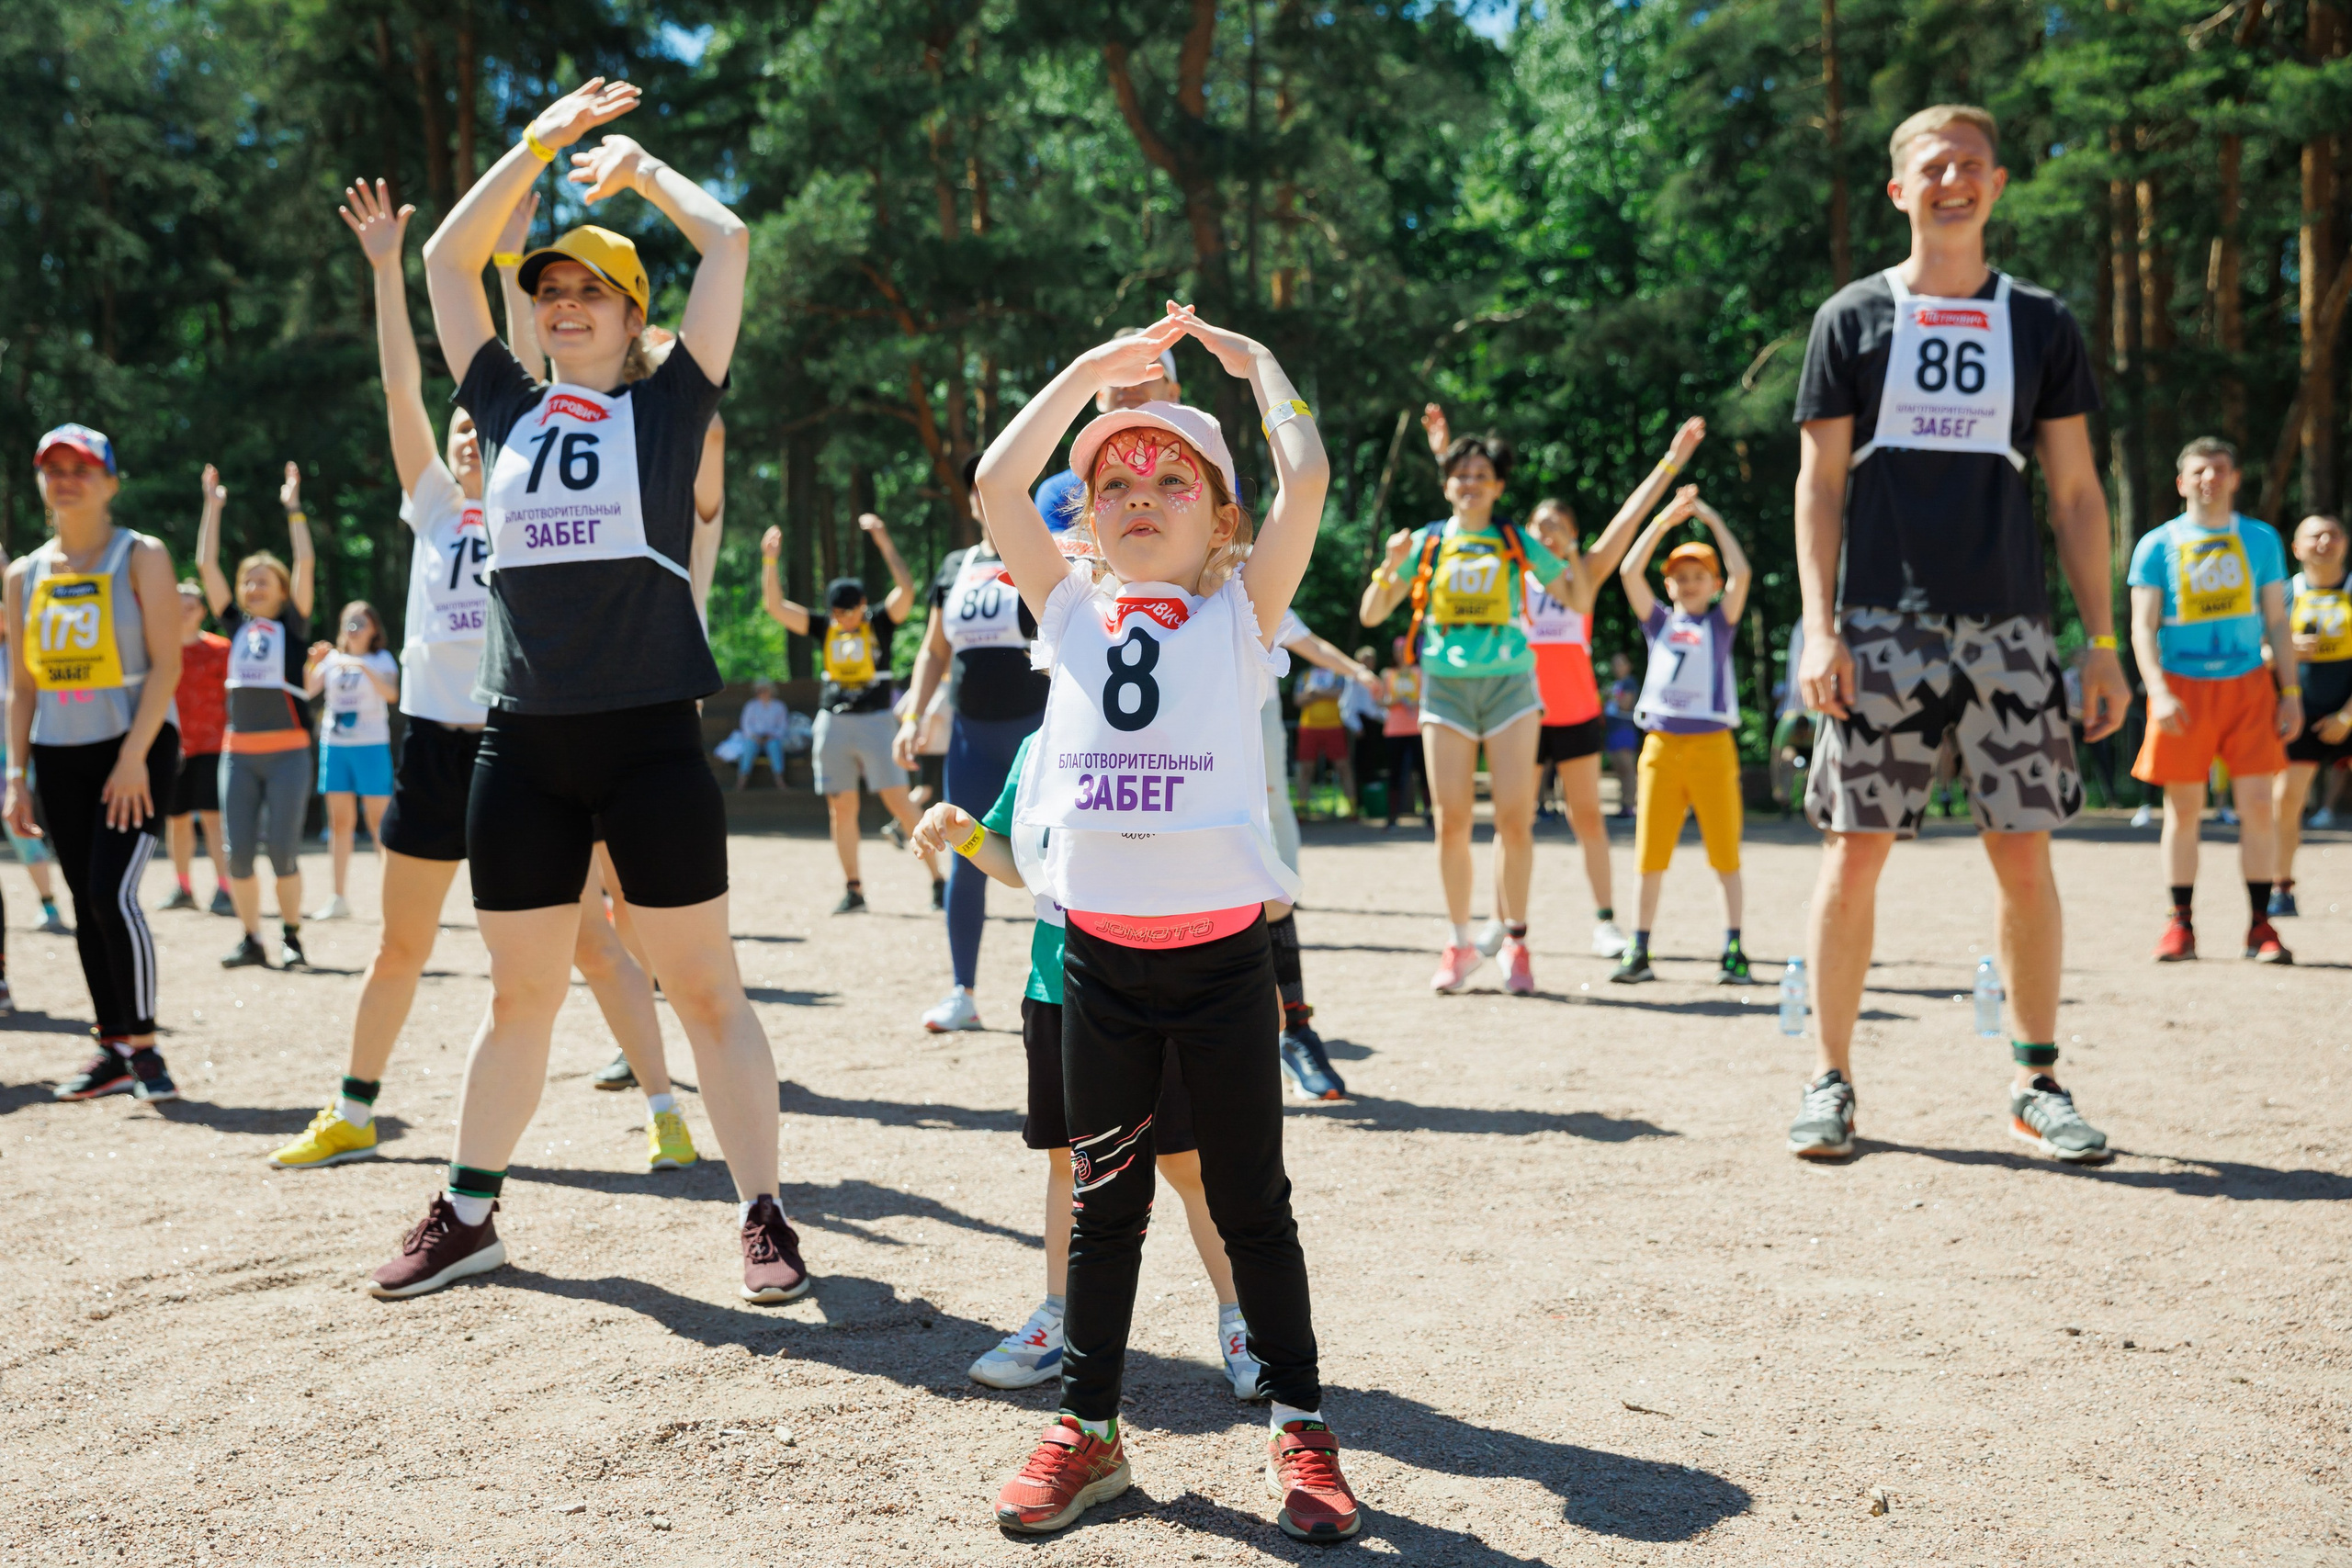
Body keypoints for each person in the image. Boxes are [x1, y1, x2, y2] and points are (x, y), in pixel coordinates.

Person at [354, 81, 797, 1303]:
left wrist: (644, 173)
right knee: (519, 993)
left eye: (587, 289)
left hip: (650, 740)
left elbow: (733, 242)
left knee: (705, 987)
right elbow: (449, 258)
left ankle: (762, 1209)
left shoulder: (671, 405)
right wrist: (538, 143)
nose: (560, 303)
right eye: (549, 289)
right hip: (522, 744)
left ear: (632, 311)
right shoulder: (502, 402)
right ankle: (467, 1209)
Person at [973, 305, 1361, 1542]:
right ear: (1082, 519)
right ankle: (1090, 1434)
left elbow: (1309, 471)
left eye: (1171, 474)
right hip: (1099, 965)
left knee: (1254, 1201)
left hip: (1222, 964)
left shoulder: (1244, 612)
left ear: (1221, 517)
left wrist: (1263, 372)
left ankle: (1300, 1425)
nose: (1139, 491)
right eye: (1114, 478)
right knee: (1106, 1202)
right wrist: (1089, 371)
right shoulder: (1070, 612)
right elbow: (993, 480)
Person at [270, 177, 702, 1179]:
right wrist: (387, 274)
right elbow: (401, 386)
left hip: (533, 736)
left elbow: (518, 363)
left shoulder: (537, 445)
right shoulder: (431, 503)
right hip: (434, 742)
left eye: (479, 425)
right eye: (460, 427)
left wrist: (512, 261)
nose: (469, 432)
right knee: (397, 947)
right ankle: (353, 1108)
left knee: (595, 949)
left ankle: (663, 1108)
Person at [1792, 103, 2126, 1166]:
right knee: (1854, 856)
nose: (1953, 180)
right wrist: (1817, 626)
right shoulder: (1849, 318)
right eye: (1933, 166)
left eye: (1972, 165)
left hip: (2009, 627)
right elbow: (1819, 485)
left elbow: (2075, 494)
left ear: (1997, 185)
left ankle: (2035, 1080)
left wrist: (2101, 637)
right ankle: (1829, 1080)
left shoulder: (2040, 322)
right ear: (1899, 190)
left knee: (2023, 858)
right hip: (1879, 626)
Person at [909, 730, 1269, 1402]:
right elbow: (1018, 864)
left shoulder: (1176, 728)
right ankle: (1060, 1319)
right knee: (1069, 1162)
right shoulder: (1039, 745)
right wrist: (961, 831)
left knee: (1188, 1162)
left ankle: (1243, 1321)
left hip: (1156, 975)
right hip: (1058, 982)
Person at [1359, 416, 1697, 997]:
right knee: (1452, 823)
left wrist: (1571, 568)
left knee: (1516, 821)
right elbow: (1371, 613)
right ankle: (1460, 941)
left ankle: (1515, 940)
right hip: (1446, 688)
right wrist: (1391, 563)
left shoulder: (1517, 541)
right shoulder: (1426, 543)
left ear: (1498, 487)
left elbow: (1576, 591)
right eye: (1460, 475)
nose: (1470, 483)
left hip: (1514, 688)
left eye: (1481, 475)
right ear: (1446, 485)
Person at [9, 425, 184, 1100]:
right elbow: (23, 688)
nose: (65, 479)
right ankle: (110, 1046)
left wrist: (135, 757)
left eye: (80, 467)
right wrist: (14, 775)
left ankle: (144, 1047)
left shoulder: (141, 556)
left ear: (110, 481)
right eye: (52, 467)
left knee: (114, 891)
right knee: (85, 901)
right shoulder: (24, 573)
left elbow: (168, 664)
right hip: (57, 752)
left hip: (133, 747)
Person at [895, 454, 1052, 1032]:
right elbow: (934, 651)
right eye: (980, 490)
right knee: (964, 855)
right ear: (972, 501)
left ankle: (1083, 985)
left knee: (1056, 857)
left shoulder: (1044, 558)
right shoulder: (954, 566)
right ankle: (963, 991)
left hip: (1036, 732)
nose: (989, 498)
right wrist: (913, 716)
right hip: (970, 736)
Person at [2126, 438, 2298, 964]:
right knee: (2184, 810)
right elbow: (2142, 626)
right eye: (2200, 471)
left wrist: (2289, 692)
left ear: (2235, 478)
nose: (2210, 479)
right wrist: (2157, 690)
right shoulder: (2157, 545)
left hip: (2248, 685)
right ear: (2182, 482)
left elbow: (2277, 621)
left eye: (2220, 469)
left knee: (2258, 807)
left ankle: (2261, 927)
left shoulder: (2261, 539)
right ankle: (2180, 926)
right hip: (2181, 687)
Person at [1610, 491, 1753, 984]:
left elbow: (1743, 574)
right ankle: (1640, 947)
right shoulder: (1658, 624)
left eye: (1700, 577)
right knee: (1649, 854)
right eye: (1681, 576)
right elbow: (1630, 570)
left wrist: (1712, 517)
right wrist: (1664, 524)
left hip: (1713, 748)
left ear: (1714, 584)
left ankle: (1733, 946)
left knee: (1724, 853)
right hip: (1661, 749)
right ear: (1668, 584)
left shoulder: (1721, 622)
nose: (1690, 584)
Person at [759, 517, 922, 915]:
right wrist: (769, 563)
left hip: (877, 721)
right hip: (833, 721)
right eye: (837, 611)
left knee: (898, 802)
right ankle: (854, 889)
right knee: (841, 808)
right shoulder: (824, 626)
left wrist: (884, 539)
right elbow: (775, 607)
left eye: (849, 611)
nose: (843, 618)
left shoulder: (880, 622)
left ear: (863, 606)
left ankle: (938, 880)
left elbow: (907, 589)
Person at [196, 462, 316, 969]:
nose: (252, 587)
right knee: (238, 854)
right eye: (247, 581)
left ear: (283, 592)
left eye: (264, 581)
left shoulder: (294, 624)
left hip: (289, 755)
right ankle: (251, 938)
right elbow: (206, 566)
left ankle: (292, 937)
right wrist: (212, 505)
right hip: (237, 758)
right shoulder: (235, 626)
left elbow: (305, 562)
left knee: (283, 853)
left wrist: (293, 509)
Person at [2271, 513, 2352, 916]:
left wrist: (2348, 716)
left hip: (2349, 710)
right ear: (2297, 548)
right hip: (2299, 713)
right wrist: (2282, 652)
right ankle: (2280, 888)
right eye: (2314, 535)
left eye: (2333, 533)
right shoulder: (2282, 595)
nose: (2325, 540)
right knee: (2285, 801)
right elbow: (2253, 657)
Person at [304, 601, 399, 919]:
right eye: (349, 621)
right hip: (335, 747)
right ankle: (338, 898)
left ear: (374, 629)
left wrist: (364, 668)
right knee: (339, 824)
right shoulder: (331, 659)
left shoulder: (381, 659)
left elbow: (391, 695)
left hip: (371, 747)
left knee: (378, 823)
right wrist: (312, 662)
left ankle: (391, 897)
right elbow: (307, 689)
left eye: (361, 621)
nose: (354, 627)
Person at [159, 582, 232, 915]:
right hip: (172, 748)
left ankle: (226, 888)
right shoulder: (158, 650)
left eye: (192, 605)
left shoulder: (221, 649)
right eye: (179, 605)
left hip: (215, 746)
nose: (185, 611)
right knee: (176, 820)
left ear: (203, 611)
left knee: (216, 820)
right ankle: (183, 887)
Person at [1379, 637, 1425, 828]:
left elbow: (1428, 698)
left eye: (1403, 649)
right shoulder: (1388, 673)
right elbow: (1382, 700)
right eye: (1397, 649)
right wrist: (1396, 700)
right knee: (1395, 773)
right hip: (1394, 730)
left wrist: (1415, 703)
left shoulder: (1420, 672)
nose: (1400, 653)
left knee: (1423, 771)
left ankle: (1430, 813)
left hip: (1417, 728)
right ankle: (1392, 816)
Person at [1340, 645, 1386, 815]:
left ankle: (1373, 804)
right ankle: (1359, 804)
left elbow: (1377, 703)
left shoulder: (1374, 679)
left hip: (1373, 724)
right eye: (1366, 659)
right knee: (1359, 765)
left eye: (1372, 659)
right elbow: (1347, 705)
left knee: (1373, 764)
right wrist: (1355, 726)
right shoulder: (1352, 678)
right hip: (1360, 725)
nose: (1370, 662)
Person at [732, 676, 790, 791]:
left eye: (764, 690)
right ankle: (742, 779)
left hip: (772, 738)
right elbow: (745, 725)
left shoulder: (779, 706)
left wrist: (771, 735)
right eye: (759, 691)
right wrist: (754, 736)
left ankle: (779, 779)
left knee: (775, 745)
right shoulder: (751, 706)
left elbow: (783, 726)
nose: (761, 693)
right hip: (754, 738)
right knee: (749, 746)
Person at [1601, 651, 1641, 817]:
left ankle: (1630, 806)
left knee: (1627, 769)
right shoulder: (1617, 684)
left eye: (1620, 663)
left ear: (1628, 666)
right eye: (1614, 663)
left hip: (1625, 729)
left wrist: (1608, 695)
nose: (1617, 667)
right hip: (1613, 730)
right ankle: (1623, 805)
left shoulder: (1629, 683)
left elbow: (1625, 705)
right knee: (1619, 769)